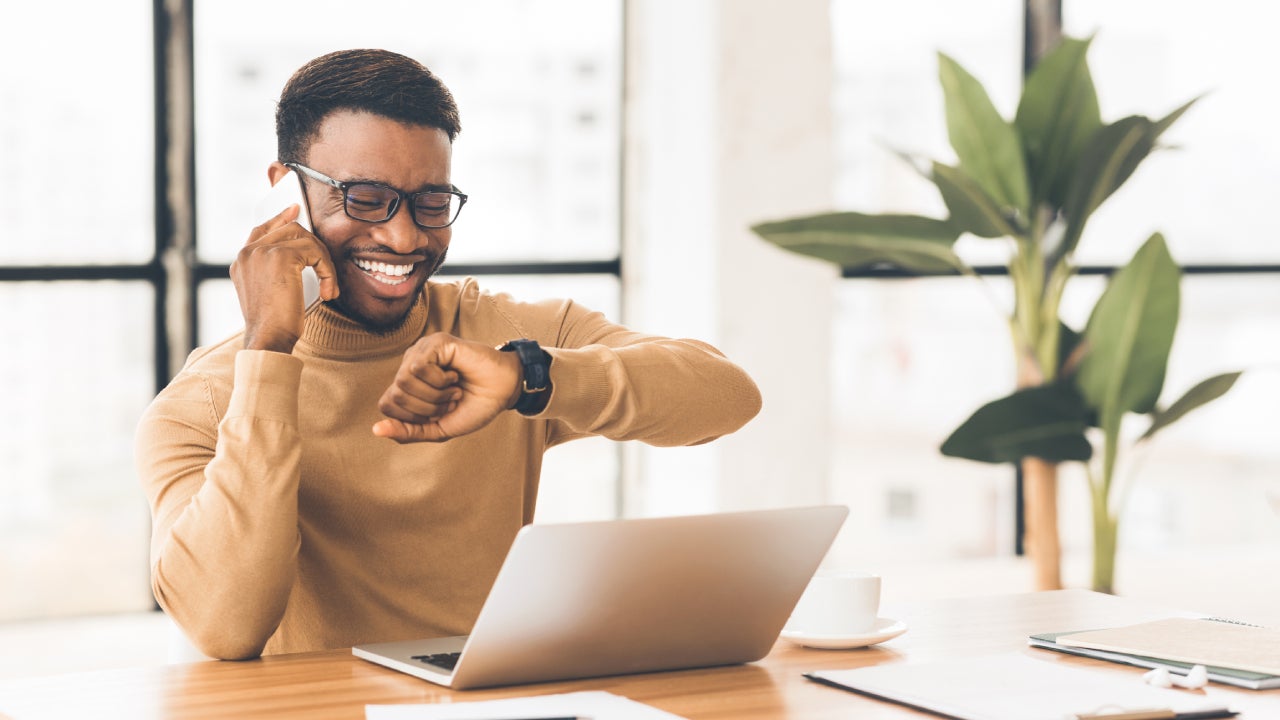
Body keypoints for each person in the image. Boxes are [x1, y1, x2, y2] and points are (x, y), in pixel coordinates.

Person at [135, 49, 761, 661]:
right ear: (285, 197)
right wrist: (268, 352)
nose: (404, 236)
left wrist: (526, 376)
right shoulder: (203, 406)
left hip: (506, 706)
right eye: (364, 197)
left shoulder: (499, 333)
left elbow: (728, 395)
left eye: (431, 202)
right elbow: (223, 627)